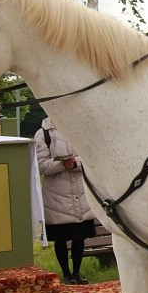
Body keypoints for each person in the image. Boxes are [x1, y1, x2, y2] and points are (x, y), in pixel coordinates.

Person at [34, 118, 94, 284]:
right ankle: (66, 273)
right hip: (56, 193)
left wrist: (75, 163)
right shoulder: (43, 134)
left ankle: (77, 273)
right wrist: (63, 165)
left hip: (80, 190)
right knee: (61, 238)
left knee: (79, 236)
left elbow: (91, 156)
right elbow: (40, 165)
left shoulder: (79, 129)